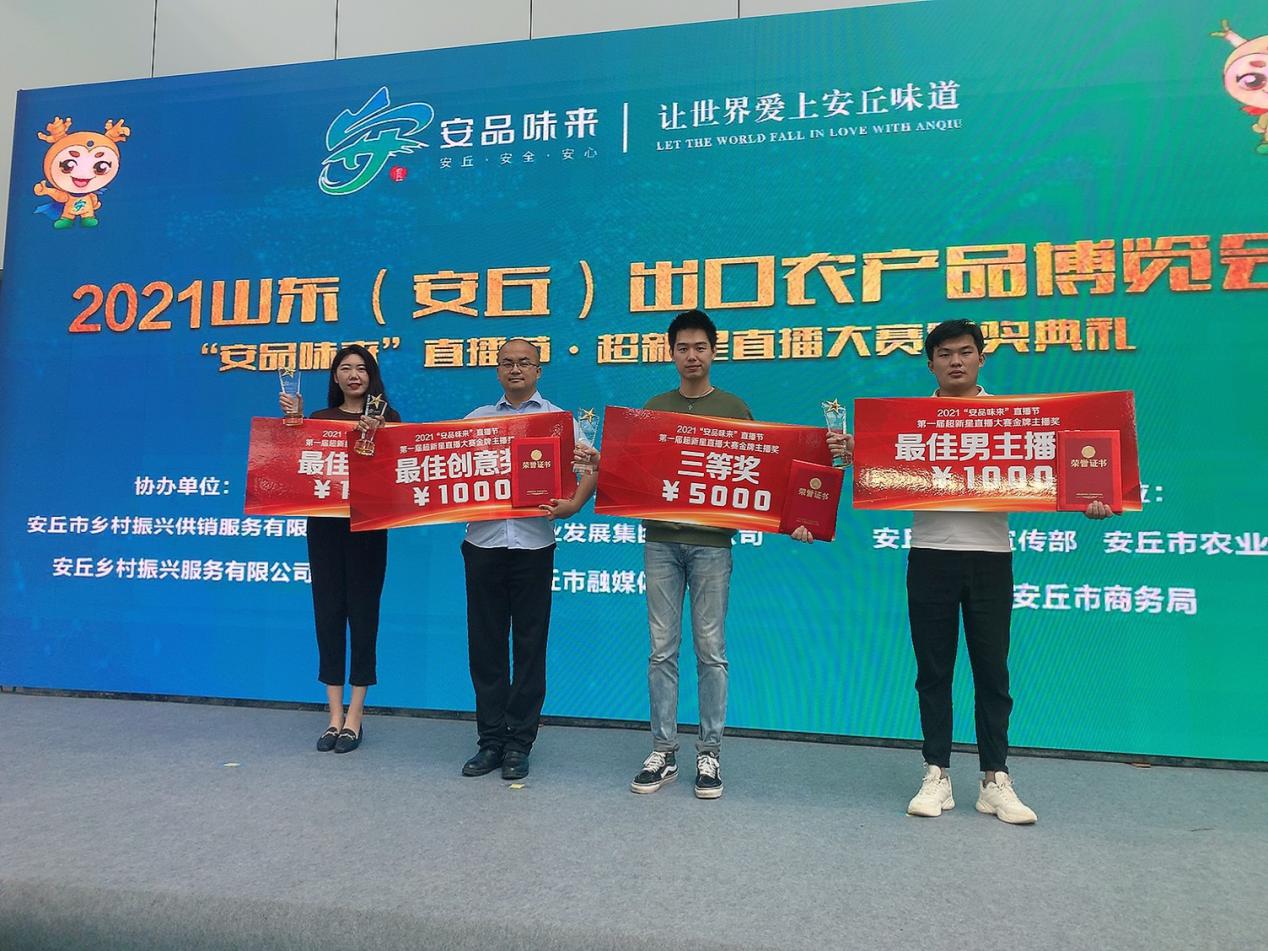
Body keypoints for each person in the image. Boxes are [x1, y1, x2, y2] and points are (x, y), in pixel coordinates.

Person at [830, 319, 1113, 824]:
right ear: (930, 364)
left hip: (990, 557)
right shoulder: (907, 424)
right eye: (944, 353)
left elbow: (1058, 469)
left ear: (982, 358)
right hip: (930, 554)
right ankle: (935, 773)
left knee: (992, 671)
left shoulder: (1014, 420)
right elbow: (884, 472)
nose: (955, 361)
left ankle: (994, 779)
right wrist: (858, 455)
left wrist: (1092, 497)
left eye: (964, 351)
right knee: (933, 671)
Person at [628, 309, 813, 801]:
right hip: (661, 541)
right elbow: (636, 471)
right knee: (661, 649)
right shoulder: (655, 408)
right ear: (671, 354)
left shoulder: (732, 408)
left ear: (714, 352)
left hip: (712, 545)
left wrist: (797, 517)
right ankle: (663, 750)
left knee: (711, 651)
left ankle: (709, 752)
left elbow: (767, 473)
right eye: (682, 348)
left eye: (700, 347)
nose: (691, 355)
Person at [459, 338, 599, 781]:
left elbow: (591, 467)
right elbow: (449, 471)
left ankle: (519, 742)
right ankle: (490, 741)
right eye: (507, 363)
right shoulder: (476, 420)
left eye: (525, 363)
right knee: (485, 646)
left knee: (529, 646)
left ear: (539, 370)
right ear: (497, 370)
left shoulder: (558, 421)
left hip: (534, 547)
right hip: (482, 545)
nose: (515, 369)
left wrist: (574, 505)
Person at [279, 345, 400, 754]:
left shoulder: (388, 418)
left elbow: (397, 475)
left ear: (371, 376)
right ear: (335, 377)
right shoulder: (319, 418)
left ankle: (355, 717)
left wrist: (379, 435)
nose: (353, 375)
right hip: (325, 529)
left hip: (368, 530)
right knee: (328, 615)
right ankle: (333, 716)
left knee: (363, 618)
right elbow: (294, 464)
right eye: (345, 368)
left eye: (361, 369)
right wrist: (294, 423)